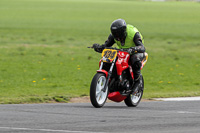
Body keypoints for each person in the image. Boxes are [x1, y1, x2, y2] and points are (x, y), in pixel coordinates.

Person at [92, 19, 146, 93]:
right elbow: (106, 45)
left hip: (136, 52)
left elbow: (142, 47)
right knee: (111, 59)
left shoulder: (133, 33)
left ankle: (137, 82)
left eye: (118, 34)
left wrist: (133, 49)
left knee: (135, 58)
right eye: (115, 34)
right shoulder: (113, 36)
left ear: (124, 31)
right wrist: (99, 47)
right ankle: (114, 79)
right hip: (123, 51)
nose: (117, 37)